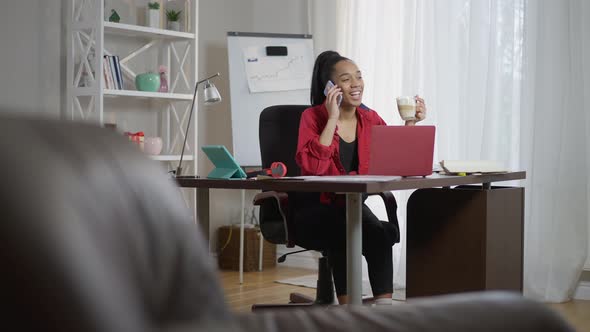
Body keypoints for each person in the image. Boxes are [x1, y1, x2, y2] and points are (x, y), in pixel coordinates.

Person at [294, 50, 427, 305]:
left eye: (359, 76)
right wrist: (332, 117)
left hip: (350, 206)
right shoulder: (311, 117)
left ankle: (384, 307)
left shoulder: (369, 118)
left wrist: (410, 123)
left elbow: (394, 159)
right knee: (343, 232)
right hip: (314, 207)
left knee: (378, 234)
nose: (356, 84)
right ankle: (349, 309)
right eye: (346, 79)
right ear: (330, 88)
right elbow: (314, 168)